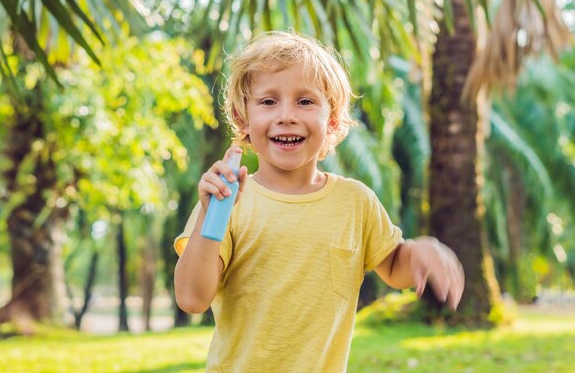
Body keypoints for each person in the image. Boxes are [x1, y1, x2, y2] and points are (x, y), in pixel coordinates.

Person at [173, 31, 464, 372]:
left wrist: (418, 252)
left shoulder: (356, 202)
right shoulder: (226, 203)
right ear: (242, 118)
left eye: (305, 101)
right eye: (268, 102)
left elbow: (393, 265)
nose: (287, 115)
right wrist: (212, 219)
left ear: (333, 120)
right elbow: (192, 298)